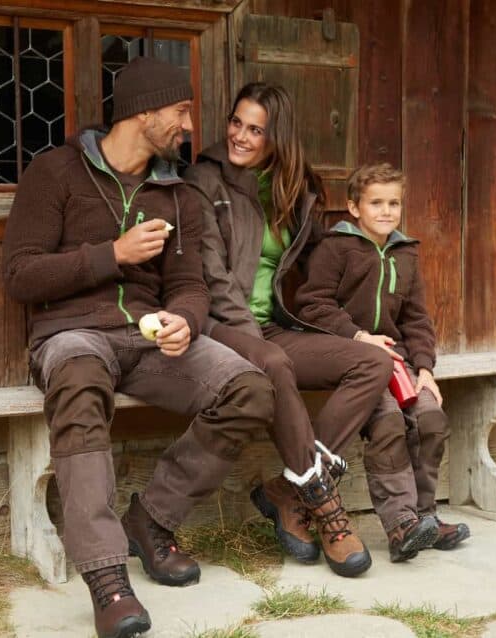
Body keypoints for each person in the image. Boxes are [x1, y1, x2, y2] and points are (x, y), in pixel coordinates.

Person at [2, 57, 274, 638]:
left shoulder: (176, 193)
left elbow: (191, 286)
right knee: (77, 382)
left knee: (250, 387)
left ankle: (150, 519)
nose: (186, 124)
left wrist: (185, 320)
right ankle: (106, 577)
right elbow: (21, 276)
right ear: (143, 111)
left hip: (149, 339)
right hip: (72, 334)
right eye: (179, 111)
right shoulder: (55, 173)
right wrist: (112, 255)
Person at [185, 82, 395, 578]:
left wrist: (360, 329)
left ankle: (287, 490)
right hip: (220, 326)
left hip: (273, 325)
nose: (240, 135)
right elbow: (213, 275)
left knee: (373, 362)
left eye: (255, 129)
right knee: (274, 363)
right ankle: (326, 510)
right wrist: (254, 343)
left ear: (276, 137)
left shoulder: (295, 189)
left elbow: (326, 265)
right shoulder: (204, 180)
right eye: (236, 122)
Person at [295, 163, 470, 562]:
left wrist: (425, 369)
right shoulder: (335, 248)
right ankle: (400, 526)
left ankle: (425, 517)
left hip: (400, 362)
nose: (386, 211)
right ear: (354, 207)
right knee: (388, 424)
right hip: (354, 360)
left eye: (394, 203)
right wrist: (357, 336)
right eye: (376, 203)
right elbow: (313, 305)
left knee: (431, 418)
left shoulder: (405, 253)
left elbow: (416, 318)